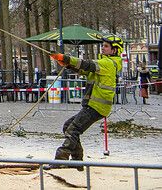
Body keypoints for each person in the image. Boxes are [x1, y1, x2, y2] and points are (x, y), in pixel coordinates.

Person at [49, 35, 123, 168]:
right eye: (103, 45)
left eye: (106, 46)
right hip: (93, 106)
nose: (103, 48)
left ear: (114, 50)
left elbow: (86, 64)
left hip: (97, 106)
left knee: (73, 129)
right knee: (68, 126)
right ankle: (77, 162)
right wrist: (69, 65)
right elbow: (85, 70)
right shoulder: (105, 64)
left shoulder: (108, 64)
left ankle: (60, 160)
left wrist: (65, 58)